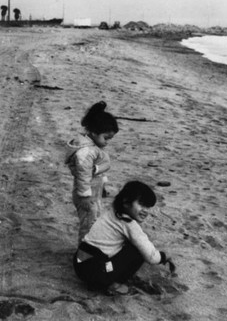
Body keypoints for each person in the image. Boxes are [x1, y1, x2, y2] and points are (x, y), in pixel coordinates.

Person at [73, 181, 175, 295]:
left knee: (124, 246)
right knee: (137, 251)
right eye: (141, 204)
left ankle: (97, 281)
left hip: (80, 262)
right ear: (126, 202)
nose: (146, 210)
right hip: (97, 270)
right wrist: (163, 257)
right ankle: (112, 284)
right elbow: (150, 256)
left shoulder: (111, 213)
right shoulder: (129, 225)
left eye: (148, 206)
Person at [65, 101, 119, 242]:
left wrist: (103, 185)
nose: (107, 142)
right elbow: (83, 176)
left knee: (94, 220)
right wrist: (85, 196)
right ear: (94, 132)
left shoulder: (92, 146)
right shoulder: (86, 152)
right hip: (86, 196)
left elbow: (97, 171)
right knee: (88, 224)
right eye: (106, 138)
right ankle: (84, 251)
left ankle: (91, 247)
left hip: (93, 192)